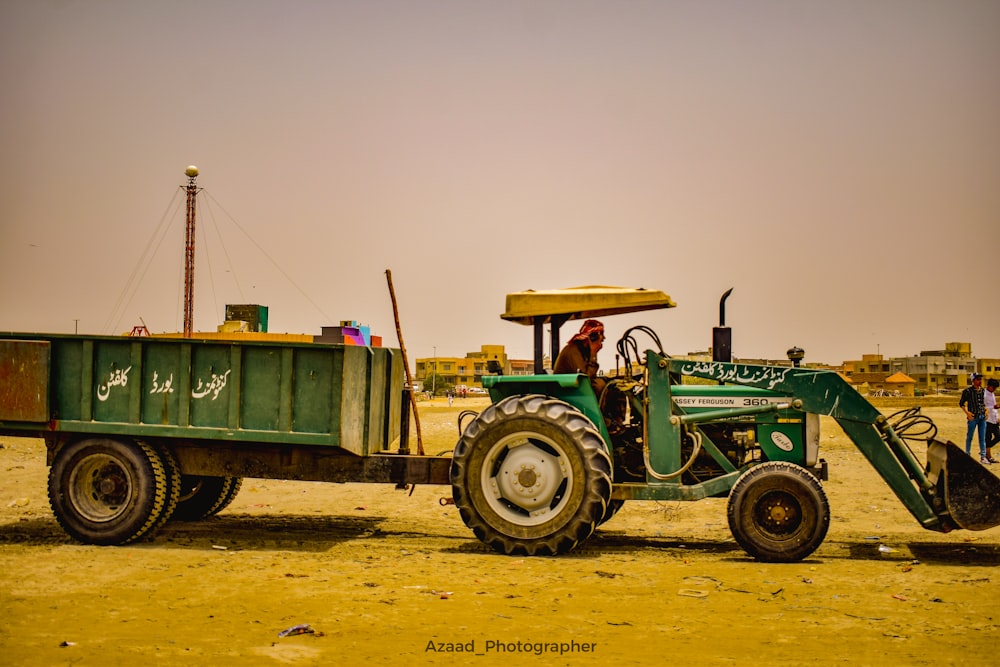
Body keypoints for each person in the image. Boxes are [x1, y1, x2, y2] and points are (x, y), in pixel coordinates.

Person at [554, 319, 607, 395]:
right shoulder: (573, 351)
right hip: (566, 391)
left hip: (574, 387)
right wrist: (593, 354)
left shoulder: (583, 351)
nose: (601, 342)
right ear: (592, 338)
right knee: (599, 386)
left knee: (612, 384)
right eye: (600, 339)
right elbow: (585, 380)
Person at [959, 372, 987, 463]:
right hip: (973, 417)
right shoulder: (967, 391)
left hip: (982, 417)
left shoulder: (983, 391)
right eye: (978, 379)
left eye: (980, 379)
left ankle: (983, 456)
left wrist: (986, 411)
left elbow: (984, 403)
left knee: (982, 437)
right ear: (973, 380)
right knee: (969, 436)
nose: (980, 381)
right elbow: (961, 404)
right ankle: (967, 454)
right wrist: (967, 413)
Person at [985, 378, 999, 464]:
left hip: (994, 419)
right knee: (988, 437)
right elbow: (982, 407)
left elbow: (994, 407)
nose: (994, 389)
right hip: (987, 419)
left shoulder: (992, 394)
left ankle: (986, 450)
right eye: (993, 387)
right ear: (989, 386)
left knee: (998, 436)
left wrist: (998, 417)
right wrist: (993, 407)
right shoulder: (984, 395)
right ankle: (988, 456)